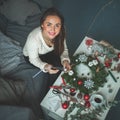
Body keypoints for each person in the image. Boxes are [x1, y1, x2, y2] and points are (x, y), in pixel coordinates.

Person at [23, 7, 71, 75]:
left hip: (48, 52)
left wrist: (65, 61)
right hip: (32, 56)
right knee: (45, 73)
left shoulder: (61, 32)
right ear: (42, 24)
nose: (53, 30)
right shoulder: (33, 39)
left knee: (60, 66)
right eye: (49, 24)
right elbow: (33, 59)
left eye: (57, 25)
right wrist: (45, 66)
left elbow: (63, 49)